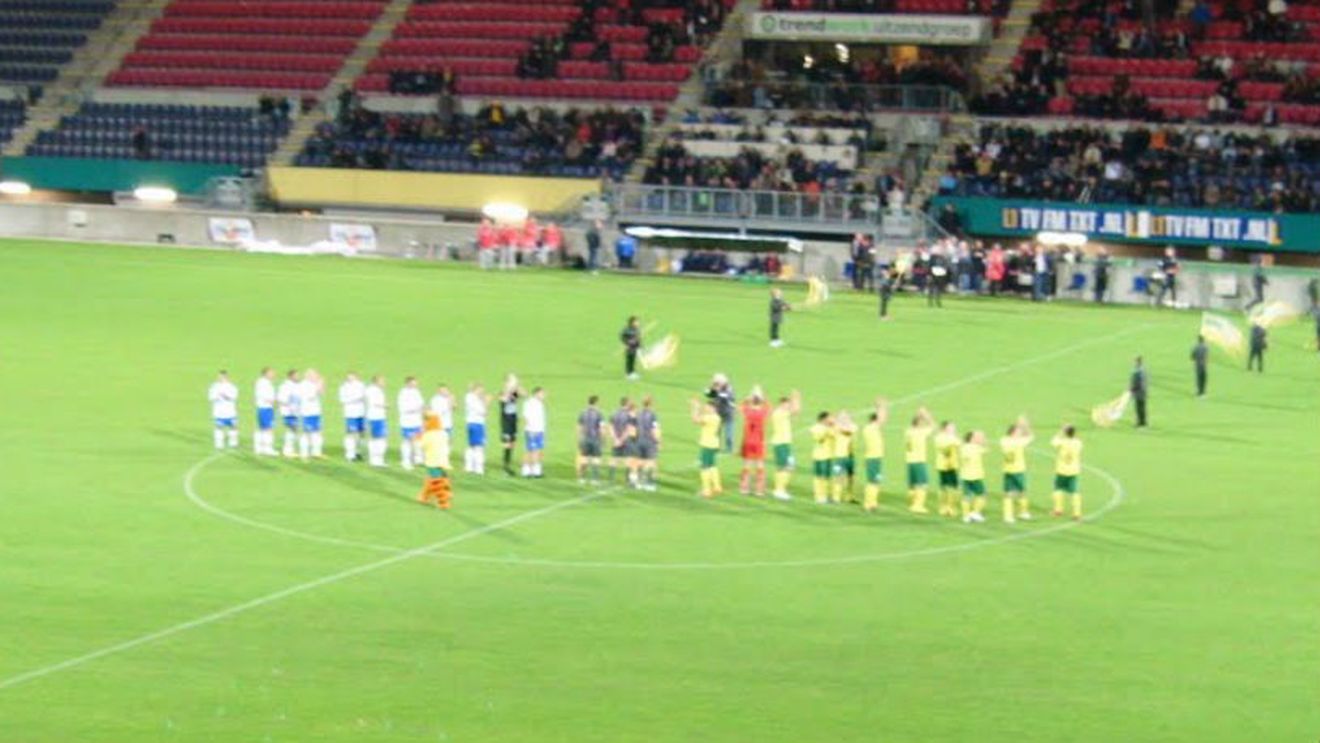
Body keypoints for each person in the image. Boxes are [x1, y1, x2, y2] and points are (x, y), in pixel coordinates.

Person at [999, 415, 1033, 524]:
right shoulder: (1019, 442)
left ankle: (1008, 516)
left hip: (1008, 471)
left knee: (1008, 493)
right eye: (1018, 432)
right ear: (1013, 433)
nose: (1020, 434)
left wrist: (1020, 426)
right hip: (1018, 470)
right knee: (1021, 492)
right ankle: (1022, 512)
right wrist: (1026, 425)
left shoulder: (1003, 440)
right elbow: (1030, 436)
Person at [416, 412, 453, 510]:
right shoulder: (443, 433)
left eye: (425, 420)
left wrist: (417, 438)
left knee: (436, 482)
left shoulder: (428, 435)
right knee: (437, 477)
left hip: (433, 461)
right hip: (443, 459)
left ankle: (443, 502)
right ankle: (424, 497)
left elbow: (421, 446)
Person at [739, 387, 771, 497]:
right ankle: (759, 490)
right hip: (759, 442)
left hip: (747, 441)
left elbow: (741, 407)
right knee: (760, 466)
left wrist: (747, 399)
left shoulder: (748, 412)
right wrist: (764, 398)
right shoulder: (762, 413)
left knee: (746, 465)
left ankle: (744, 488)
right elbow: (769, 408)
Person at [768, 390, 800, 501]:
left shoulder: (780, 412)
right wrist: (796, 398)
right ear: (781, 404)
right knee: (785, 467)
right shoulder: (780, 413)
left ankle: (780, 489)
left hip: (783, 443)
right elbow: (796, 410)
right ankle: (779, 490)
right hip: (781, 443)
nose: (788, 406)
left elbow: (794, 411)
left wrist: (793, 400)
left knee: (785, 466)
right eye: (786, 404)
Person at [903, 407, 935, 514]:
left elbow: (915, 424)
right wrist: (926, 415)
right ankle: (918, 506)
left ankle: (913, 503)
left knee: (913, 485)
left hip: (910, 461)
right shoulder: (921, 433)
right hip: (919, 461)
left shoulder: (908, 432)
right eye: (922, 422)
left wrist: (918, 416)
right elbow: (933, 426)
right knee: (922, 484)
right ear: (919, 424)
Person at [691, 398, 723, 498]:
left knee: (704, 467)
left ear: (713, 408)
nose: (706, 408)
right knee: (712, 465)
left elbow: (695, 420)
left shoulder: (710, 418)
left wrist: (695, 408)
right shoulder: (717, 417)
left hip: (707, 444)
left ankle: (706, 491)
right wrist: (700, 409)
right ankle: (717, 486)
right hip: (714, 444)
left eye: (708, 406)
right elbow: (702, 417)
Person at [860, 398, 889, 512]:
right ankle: (868, 503)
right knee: (872, 481)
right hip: (873, 458)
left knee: (876, 480)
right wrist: (882, 407)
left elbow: (881, 419)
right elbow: (882, 419)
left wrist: (879, 407)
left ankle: (873, 502)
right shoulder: (871, 428)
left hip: (874, 458)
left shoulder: (868, 428)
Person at [1050, 425, 1083, 520]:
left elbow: (1053, 441)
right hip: (1073, 470)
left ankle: (1058, 510)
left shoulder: (1062, 442)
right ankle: (1077, 514)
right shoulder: (1078, 443)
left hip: (1061, 470)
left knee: (1058, 489)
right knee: (1075, 492)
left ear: (1065, 433)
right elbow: (1076, 438)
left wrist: (1061, 431)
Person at [958, 430, 988, 523]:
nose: (978, 439)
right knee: (982, 494)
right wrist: (983, 440)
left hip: (964, 475)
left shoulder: (963, 447)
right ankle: (975, 513)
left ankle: (965, 516)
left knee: (966, 496)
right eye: (976, 437)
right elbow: (986, 449)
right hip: (976, 476)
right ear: (972, 438)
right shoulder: (977, 448)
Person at [933, 420, 960, 518]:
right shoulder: (943, 438)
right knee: (947, 486)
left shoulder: (942, 437)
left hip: (951, 464)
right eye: (951, 427)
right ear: (945, 428)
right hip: (945, 465)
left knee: (950, 486)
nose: (954, 429)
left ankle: (949, 507)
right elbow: (947, 447)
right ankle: (946, 507)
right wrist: (953, 438)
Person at [576, 396, 605, 485]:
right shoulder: (599, 413)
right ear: (596, 402)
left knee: (584, 458)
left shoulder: (582, 412)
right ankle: (595, 479)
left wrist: (579, 438)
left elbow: (579, 427)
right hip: (595, 439)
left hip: (585, 438)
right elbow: (601, 428)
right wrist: (603, 439)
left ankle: (582, 478)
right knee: (596, 459)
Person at [397, 376, 425, 470]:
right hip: (407, 421)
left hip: (417, 421)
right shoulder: (403, 393)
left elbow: (421, 404)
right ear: (407, 383)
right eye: (413, 383)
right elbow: (403, 408)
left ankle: (417, 459)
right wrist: (415, 408)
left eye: (415, 383)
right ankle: (405, 461)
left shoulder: (417, 392)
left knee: (417, 441)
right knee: (407, 441)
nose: (415, 385)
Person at [498, 374, 523, 475]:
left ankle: (508, 466)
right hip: (506, 422)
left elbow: (524, 394)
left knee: (512, 443)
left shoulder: (514, 393)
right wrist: (509, 388)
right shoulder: (502, 394)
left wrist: (516, 385)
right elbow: (505, 399)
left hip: (513, 421)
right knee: (507, 444)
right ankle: (505, 467)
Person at [635, 395, 661, 492]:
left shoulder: (638, 414)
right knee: (652, 462)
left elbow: (635, 428)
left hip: (639, 440)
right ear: (651, 403)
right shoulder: (653, 415)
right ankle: (650, 483)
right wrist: (658, 441)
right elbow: (654, 429)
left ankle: (639, 482)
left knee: (640, 462)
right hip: (649, 441)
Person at [297, 369, 325, 461]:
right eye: (315, 375)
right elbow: (311, 396)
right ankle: (304, 454)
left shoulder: (312, 384)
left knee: (316, 432)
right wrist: (319, 385)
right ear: (309, 376)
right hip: (307, 413)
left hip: (315, 412)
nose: (317, 377)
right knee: (306, 433)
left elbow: (321, 393)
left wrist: (321, 386)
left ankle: (316, 452)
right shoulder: (304, 385)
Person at [208, 370, 239, 450]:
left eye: (222, 377)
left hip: (230, 411)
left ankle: (233, 443)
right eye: (219, 377)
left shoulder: (231, 386)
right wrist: (217, 396)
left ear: (226, 377)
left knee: (233, 426)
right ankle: (219, 443)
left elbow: (234, 397)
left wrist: (225, 395)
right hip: (219, 411)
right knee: (219, 426)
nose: (220, 378)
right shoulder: (214, 386)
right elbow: (211, 397)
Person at [608, 397, 637, 485]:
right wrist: (621, 440)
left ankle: (611, 479)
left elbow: (610, 427)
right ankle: (627, 479)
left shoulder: (614, 413)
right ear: (627, 404)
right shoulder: (629, 415)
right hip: (626, 441)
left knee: (614, 459)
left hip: (616, 440)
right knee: (628, 459)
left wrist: (615, 439)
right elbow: (629, 429)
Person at [339, 372, 367, 462]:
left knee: (361, 434)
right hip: (350, 414)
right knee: (351, 434)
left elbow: (364, 396)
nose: (352, 379)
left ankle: (358, 452)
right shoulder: (344, 387)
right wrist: (356, 398)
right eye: (349, 378)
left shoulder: (361, 385)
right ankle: (350, 454)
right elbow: (343, 400)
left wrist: (355, 398)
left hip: (360, 413)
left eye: (353, 378)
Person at [830, 410, 857, 503]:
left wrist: (836, 422)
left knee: (851, 477)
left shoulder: (853, 426)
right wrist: (836, 423)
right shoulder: (835, 427)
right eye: (843, 417)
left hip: (850, 456)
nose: (845, 419)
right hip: (839, 456)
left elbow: (847, 431)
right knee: (839, 476)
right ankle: (836, 497)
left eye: (847, 417)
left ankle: (849, 496)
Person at [809, 411, 835, 505]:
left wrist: (831, 427)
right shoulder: (816, 428)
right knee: (820, 477)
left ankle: (824, 496)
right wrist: (828, 429)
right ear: (823, 419)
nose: (830, 419)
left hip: (826, 455)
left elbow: (835, 435)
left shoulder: (827, 428)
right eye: (829, 418)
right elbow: (819, 439)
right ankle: (820, 496)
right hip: (821, 456)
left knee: (826, 477)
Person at [705, 373, 736, 453]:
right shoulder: (715, 388)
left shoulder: (729, 388)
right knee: (716, 431)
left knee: (729, 434)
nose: (717, 384)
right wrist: (711, 388)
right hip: (718, 412)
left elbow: (725, 397)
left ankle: (729, 448)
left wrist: (716, 390)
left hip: (728, 413)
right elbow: (707, 394)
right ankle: (716, 446)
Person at [463, 383, 489, 474]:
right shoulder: (474, 399)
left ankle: (469, 466)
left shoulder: (469, 397)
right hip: (477, 424)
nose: (482, 392)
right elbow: (484, 412)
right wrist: (486, 402)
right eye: (480, 390)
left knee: (471, 445)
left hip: (471, 423)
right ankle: (478, 468)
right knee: (479, 446)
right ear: (476, 390)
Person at [521, 387, 547, 478]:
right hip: (532, 430)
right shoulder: (529, 403)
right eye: (542, 393)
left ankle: (536, 470)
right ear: (536, 393)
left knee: (538, 450)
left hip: (539, 430)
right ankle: (526, 470)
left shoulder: (540, 404)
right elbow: (525, 417)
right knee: (530, 450)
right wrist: (529, 429)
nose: (544, 395)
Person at [276, 369, 302, 457]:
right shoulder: (285, 386)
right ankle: (287, 450)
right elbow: (281, 399)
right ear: (290, 376)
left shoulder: (296, 386)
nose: (298, 377)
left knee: (294, 429)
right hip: (288, 412)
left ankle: (289, 449)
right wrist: (288, 408)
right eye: (296, 375)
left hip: (294, 412)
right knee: (292, 429)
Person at [365, 375, 388, 467]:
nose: (384, 383)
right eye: (382, 381)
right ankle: (377, 459)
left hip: (376, 417)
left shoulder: (373, 390)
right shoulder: (373, 391)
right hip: (376, 417)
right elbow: (375, 403)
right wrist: (385, 405)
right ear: (376, 382)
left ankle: (375, 459)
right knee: (379, 438)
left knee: (376, 438)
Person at [253, 367, 276, 456]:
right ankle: (268, 448)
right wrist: (273, 402)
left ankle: (259, 448)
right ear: (266, 373)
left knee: (262, 428)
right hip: (266, 407)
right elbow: (266, 396)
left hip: (262, 407)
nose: (273, 375)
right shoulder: (264, 383)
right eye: (271, 373)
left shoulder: (261, 382)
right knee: (268, 428)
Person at [620, 316, 642, 380]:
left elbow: (638, 340)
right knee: (629, 361)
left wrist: (639, 346)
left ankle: (632, 373)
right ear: (632, 322)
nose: (638, 323)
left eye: (638, 322)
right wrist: (628, 342)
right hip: (629, 348)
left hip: (635, 348)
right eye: (636, 322)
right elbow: (622, 337)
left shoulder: (637, 330)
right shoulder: (627, 330)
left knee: (633, 360)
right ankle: (628, 374)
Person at [1130, 356, 1148, 427]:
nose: (1135, 363)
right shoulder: (1142, 370)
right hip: (1141, 391)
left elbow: (1138, 382)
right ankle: (1142, 422)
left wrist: (1132, 389)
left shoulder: (1138, 371)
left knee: (1139, 407)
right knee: (1141, 407)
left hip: (1139, 392)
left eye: (1136, 362)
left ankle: (1140, 422)